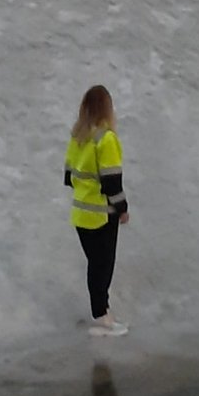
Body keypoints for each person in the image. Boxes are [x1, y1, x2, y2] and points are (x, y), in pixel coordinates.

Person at [64, 85, 130, 337]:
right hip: (102, 213)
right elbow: (112, 181)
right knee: (103, 266)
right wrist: (122, 208)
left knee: (95, 265)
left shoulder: (78, 137)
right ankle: (102, 317)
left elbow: (69, 176)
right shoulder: (106, 138)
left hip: (81, 212)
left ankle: (101, 312)